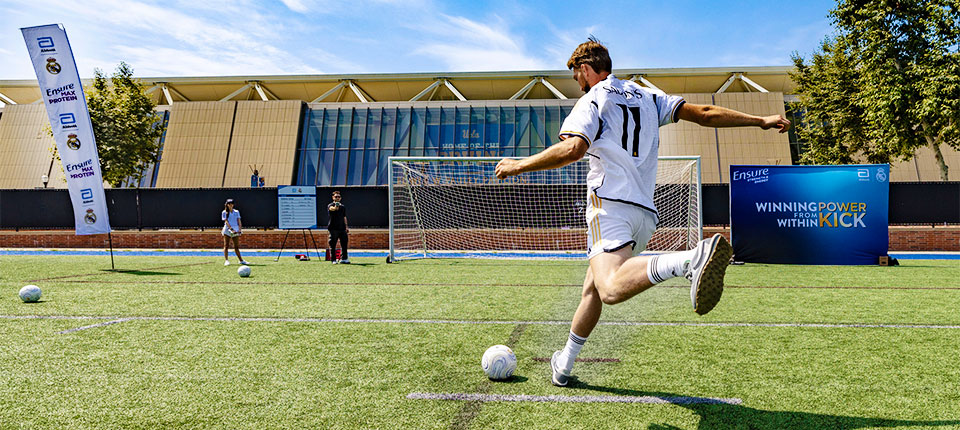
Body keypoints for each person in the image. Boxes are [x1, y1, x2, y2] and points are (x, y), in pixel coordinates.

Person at [494, 38, 790, 387]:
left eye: (577, 78)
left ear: (586, 70)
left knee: (610, 289)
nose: (579, 85)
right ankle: (564, 364)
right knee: (592, 287)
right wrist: (760, 120)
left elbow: (574, 148)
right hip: (644, 214)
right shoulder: (648, 96)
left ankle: (688, 261)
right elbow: (705, 114)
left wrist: (518, 165)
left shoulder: (594, 99)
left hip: (610, 204)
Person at [221, 199, 249, 266]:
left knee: (236, 247)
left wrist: (239, 229)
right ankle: (226, 260)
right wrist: (231, 229)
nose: (230, 205)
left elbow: (239, 221)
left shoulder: (236, 212)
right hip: (227, 230)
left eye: (231, 204)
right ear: (227, 205)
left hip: (236, 230)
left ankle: (241, 260)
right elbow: (226, 221)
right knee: (226, 246)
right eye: (229, 204)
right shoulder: (224, 212)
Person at [327, 190, 350, 264]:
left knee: (344, 243)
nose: (337, 198)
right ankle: (333, 259)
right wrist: (336, 205)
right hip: (333, 228)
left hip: (342, 228)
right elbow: (333, 209)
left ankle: (344, 258)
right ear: (333, 197)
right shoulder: (330, 205)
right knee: (333, 244)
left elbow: (344, 217)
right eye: (336, 196)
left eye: (339, 197)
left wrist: (346, 226)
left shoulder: (343, 207)